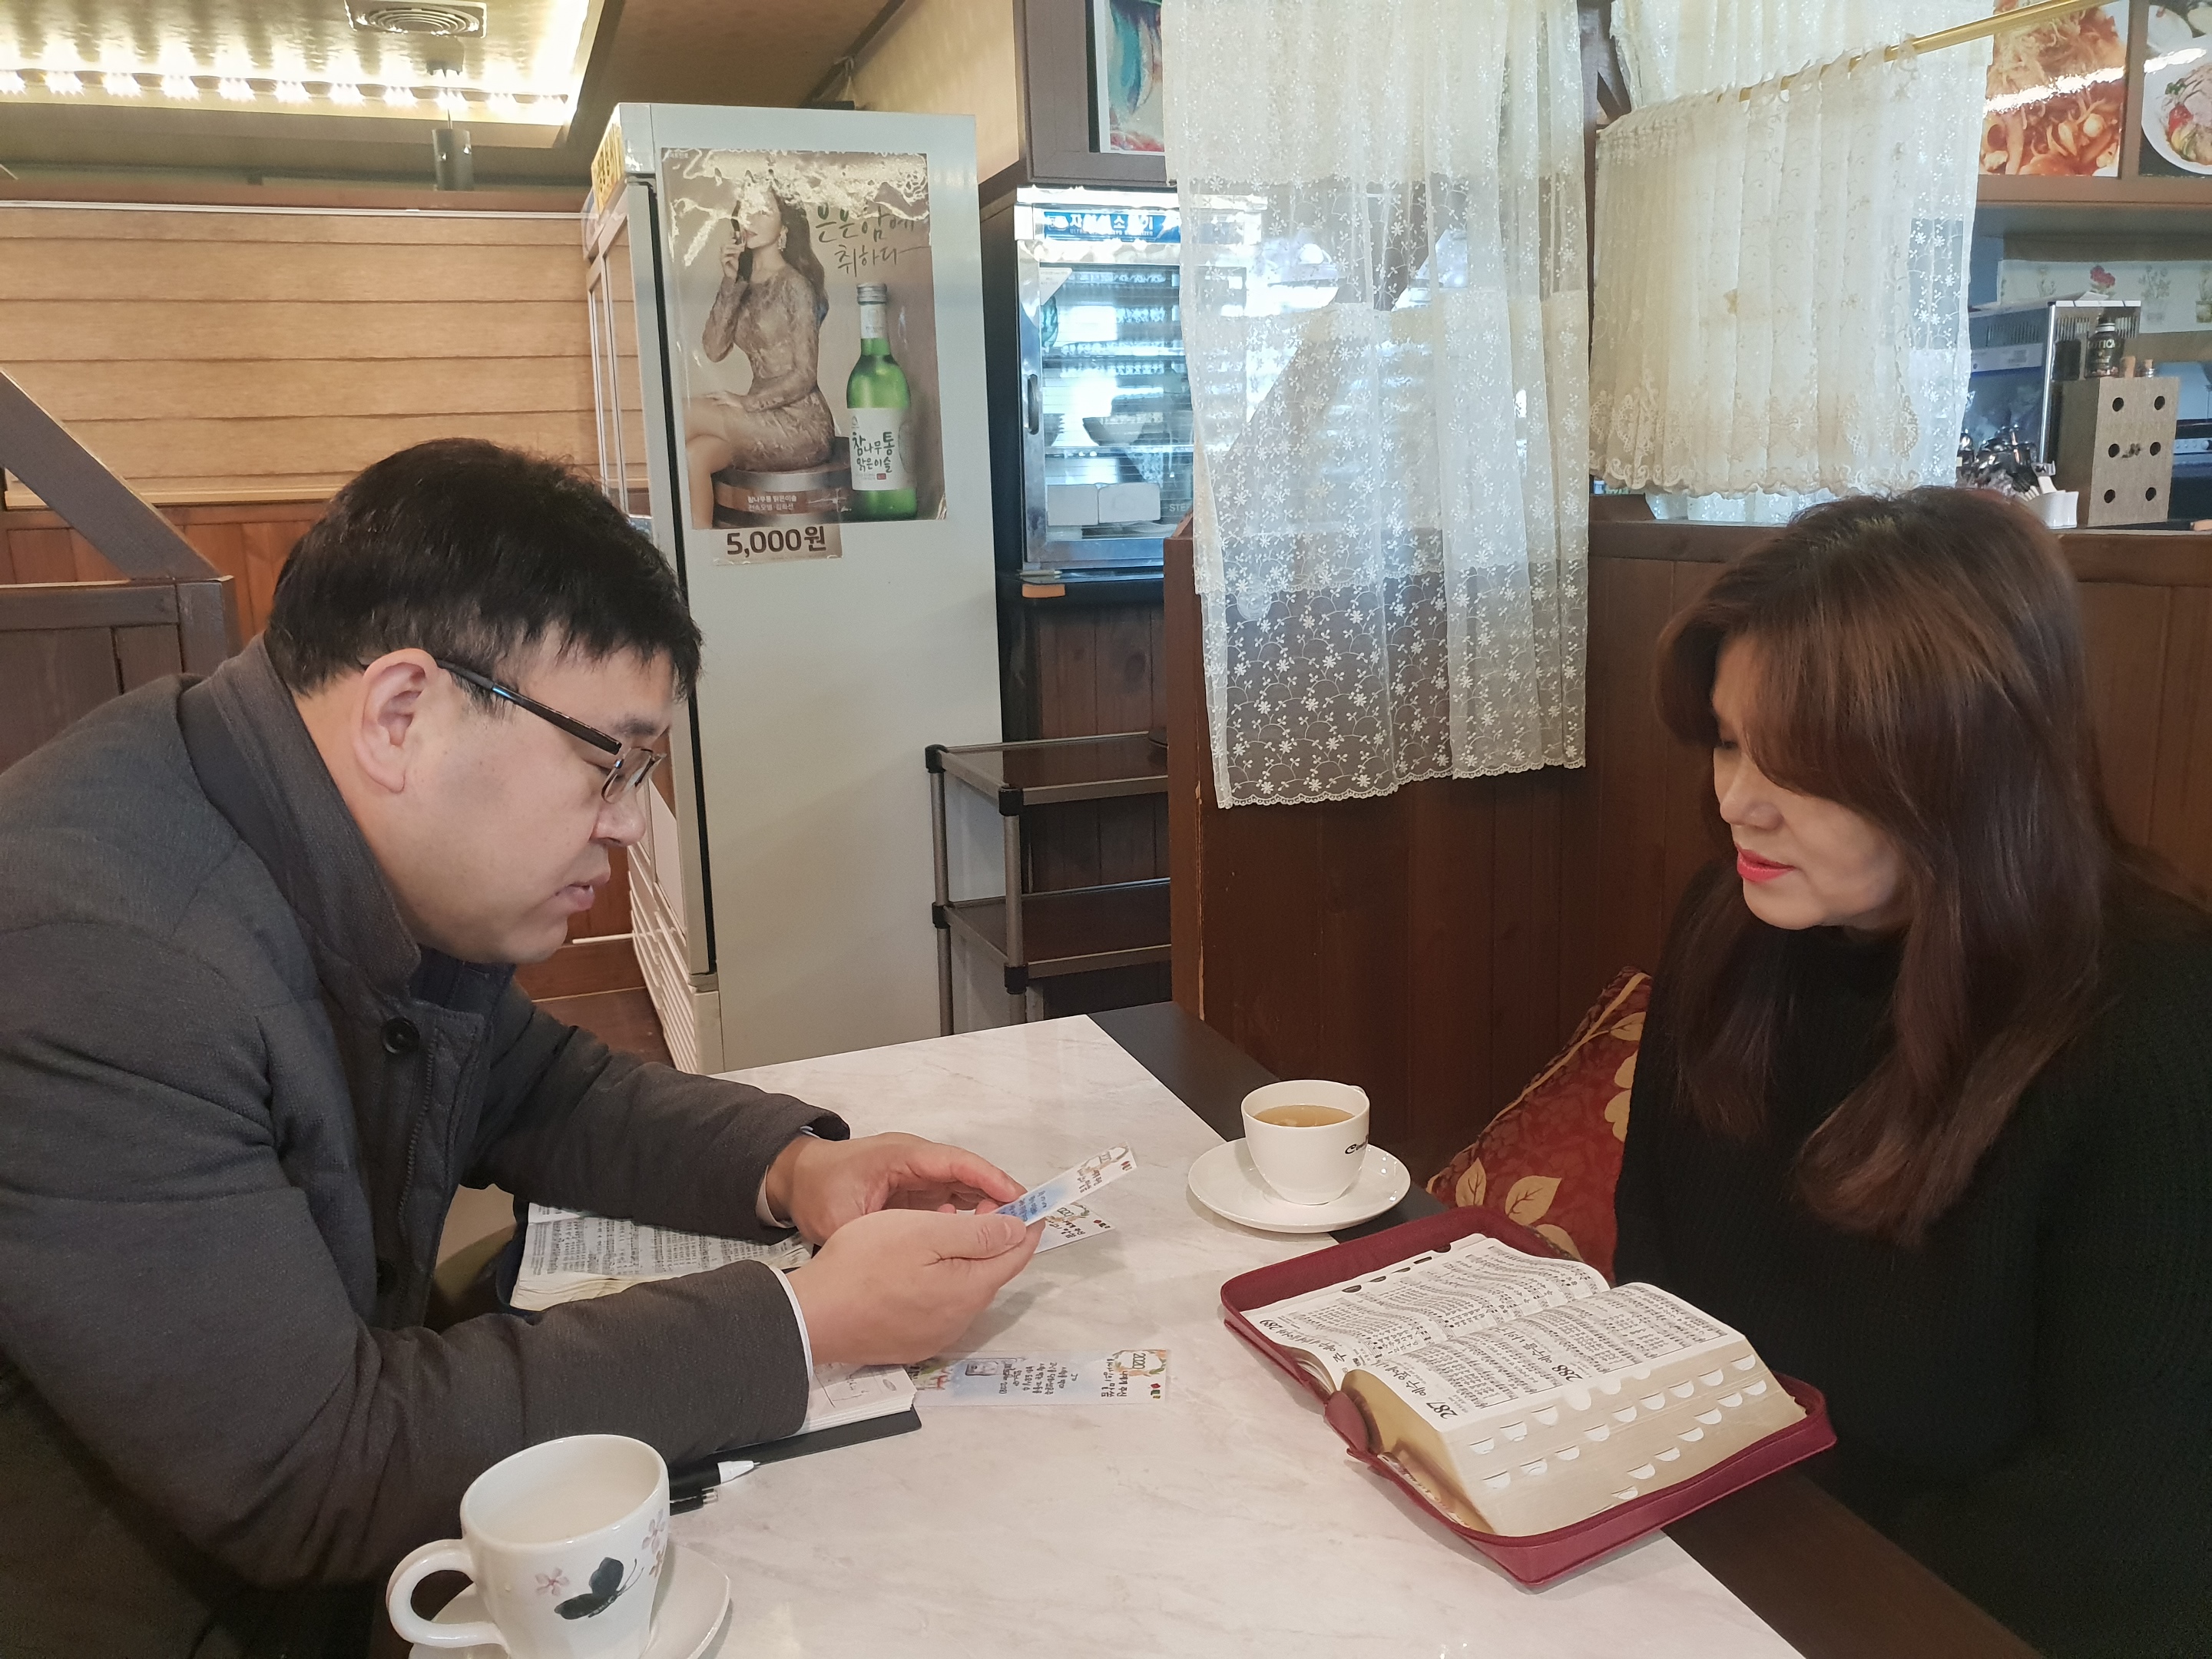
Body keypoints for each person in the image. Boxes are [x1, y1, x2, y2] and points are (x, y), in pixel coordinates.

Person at [0, 439, 1041, 1654]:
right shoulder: (106, 963)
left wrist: (796, 1169)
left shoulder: (307, 815)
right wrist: (806, 1323)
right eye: (610, 764)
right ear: (403, 714)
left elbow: (538, 1084)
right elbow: (317, 1465)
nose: (630, 826)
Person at [1614, 488, 2211, 1658]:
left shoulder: (2154, 1026)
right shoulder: (1734, 928)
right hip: (1709, 1547)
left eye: (1800, 764)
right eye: (1730, 739)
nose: (1735, 800)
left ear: (1965, 766)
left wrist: (1788, 1587)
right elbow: (1654, 1262)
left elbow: (2123, 1531)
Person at [686, 184, 837, 524]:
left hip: (800, 424)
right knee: (695, 455)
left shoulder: (795, 286)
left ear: (785, 226)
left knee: (685, 414)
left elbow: (805, 375)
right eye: (746, 210)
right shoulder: (741, 283)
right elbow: (713, 349)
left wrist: (747, 403)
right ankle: (702, 550)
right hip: (756, 423)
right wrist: (730, 282)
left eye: (763, 211)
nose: (750, 219)